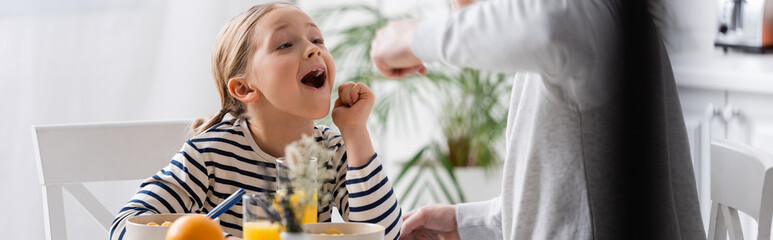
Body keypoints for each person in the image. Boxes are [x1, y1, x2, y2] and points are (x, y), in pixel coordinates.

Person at [371, 0, 705, 239]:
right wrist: (465, 222)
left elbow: (550, 27)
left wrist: (417, 37)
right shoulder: (559, 54)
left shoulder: (592, 16)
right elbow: (566, 205)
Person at [110, 2, 402, 240]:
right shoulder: (209, 153)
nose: (314, 49)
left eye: (317, 40)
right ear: (245, 88)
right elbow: (125, 228)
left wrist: (355, 132)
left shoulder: (332, 150)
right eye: (285, 44)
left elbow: (386, 234)